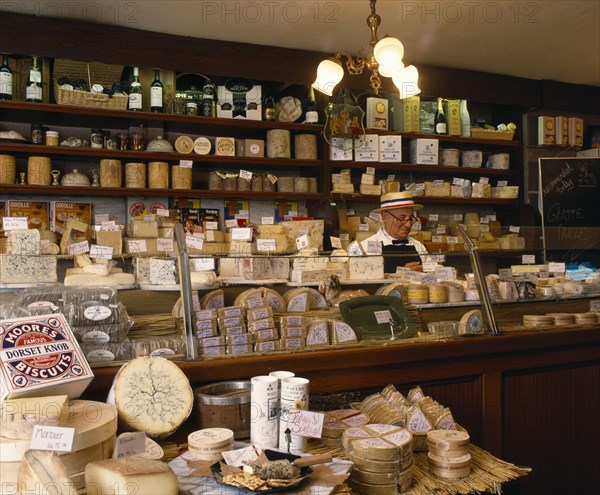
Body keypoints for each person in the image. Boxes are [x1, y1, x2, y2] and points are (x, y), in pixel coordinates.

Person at [361, 191, 429, 272]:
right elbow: (364, 282)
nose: (408, 225)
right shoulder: (365, 248)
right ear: (385, 217)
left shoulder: (418, 246)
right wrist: (401, 274)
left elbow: (432, 277)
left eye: (410, 218)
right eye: (402, 218)